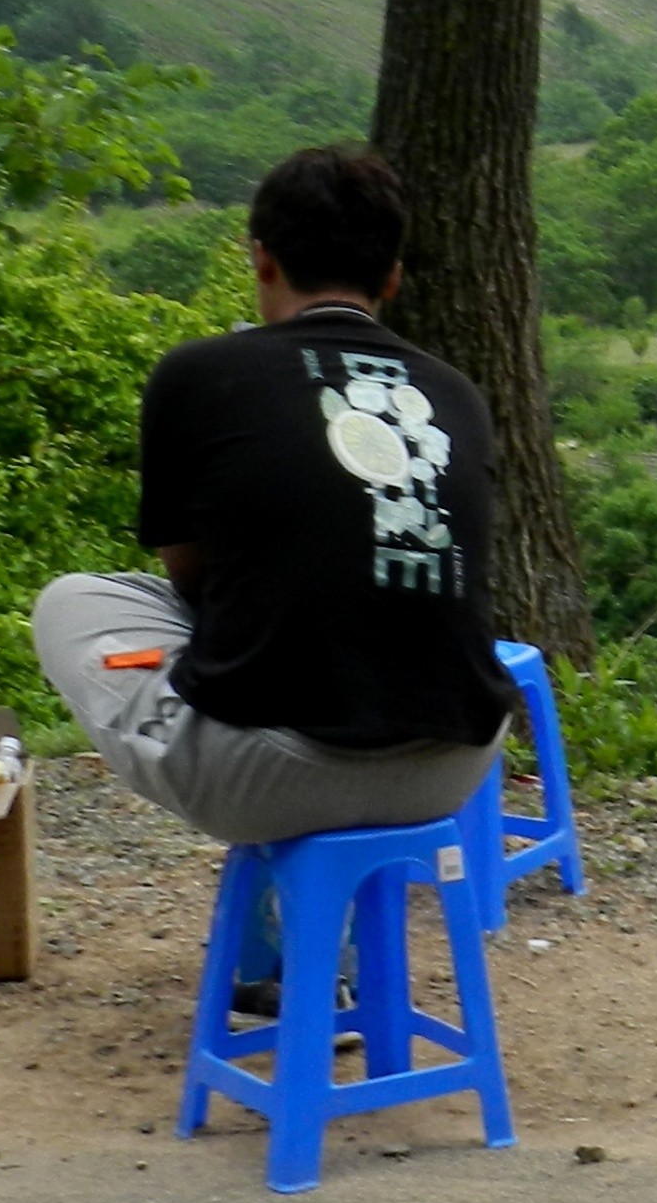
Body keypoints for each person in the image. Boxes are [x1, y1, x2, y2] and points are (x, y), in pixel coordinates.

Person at [34, 145, 513, 852]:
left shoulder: (197, 374)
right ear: (393, 276)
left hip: (268, 778)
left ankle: (280, 895)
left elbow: (192, 583)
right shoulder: (458, 396)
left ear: (261, 259)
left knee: (71, 602)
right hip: (451, 765)